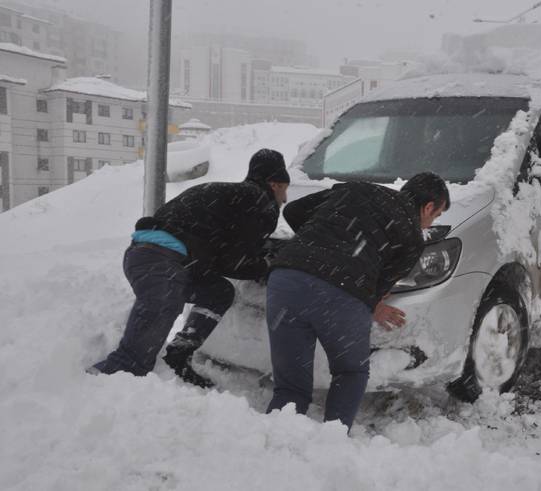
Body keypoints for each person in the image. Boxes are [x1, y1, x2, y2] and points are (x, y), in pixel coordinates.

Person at [90, 148, 290, 388]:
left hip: (149, 257)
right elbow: (234, 262)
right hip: (162, 261)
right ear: (275, 184)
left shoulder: (230, 195)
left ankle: (179, 352)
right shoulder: (258, 201)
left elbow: (225, 251)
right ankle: (82, 388)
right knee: (132, 362)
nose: (285, 199)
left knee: (219, 293)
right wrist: (267, 266)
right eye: (285, 190)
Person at [265, 172, 450, 429]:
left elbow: (294, 210)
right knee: (350, 372)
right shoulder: (411, 238)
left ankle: (273, 445)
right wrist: (372, 303)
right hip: (340, 293)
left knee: (290, 388)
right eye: (436, 216)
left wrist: (318, 244)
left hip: (285, 280)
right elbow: (377, 288)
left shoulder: (356, 189)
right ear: (428, 207)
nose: (430, 224)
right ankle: (333, 442)